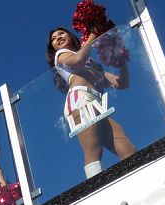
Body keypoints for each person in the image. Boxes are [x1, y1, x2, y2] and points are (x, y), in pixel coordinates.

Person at [47, 27, 136, 180]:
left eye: (61, 33)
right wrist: (92, 35)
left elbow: (122, 83)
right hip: (80, 98)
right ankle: (96, 188)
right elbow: (77, 60)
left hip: (98, 104)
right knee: (93, 149)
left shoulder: (92, 62)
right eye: (54, 38)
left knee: (127, 147)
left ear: (70, 36)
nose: (58, 38)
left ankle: (138, 177)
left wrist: (121, 61)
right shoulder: (61, 55)